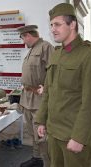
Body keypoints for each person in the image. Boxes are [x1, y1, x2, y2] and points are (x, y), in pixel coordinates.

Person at [35, 3, 91, 167]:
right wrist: (41, 120)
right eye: (51, 25)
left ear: (72, 24)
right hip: (54, 132)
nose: (53, 29)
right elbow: (48, 92)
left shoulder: (89, 55)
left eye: (57, 24)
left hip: (73, 135)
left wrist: (79, 137)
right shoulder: (56, 54)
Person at [17, 25, 54, 167]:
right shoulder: (32, 50)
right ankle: (37, 158)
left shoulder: (45, 47)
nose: (23, 42)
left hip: (39, 100)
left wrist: (47, 87)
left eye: (23, 38)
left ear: (28, 35)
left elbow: (54, 71)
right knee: (33, 133)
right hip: (27, 98)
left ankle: (47, 162)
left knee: (41, 134)